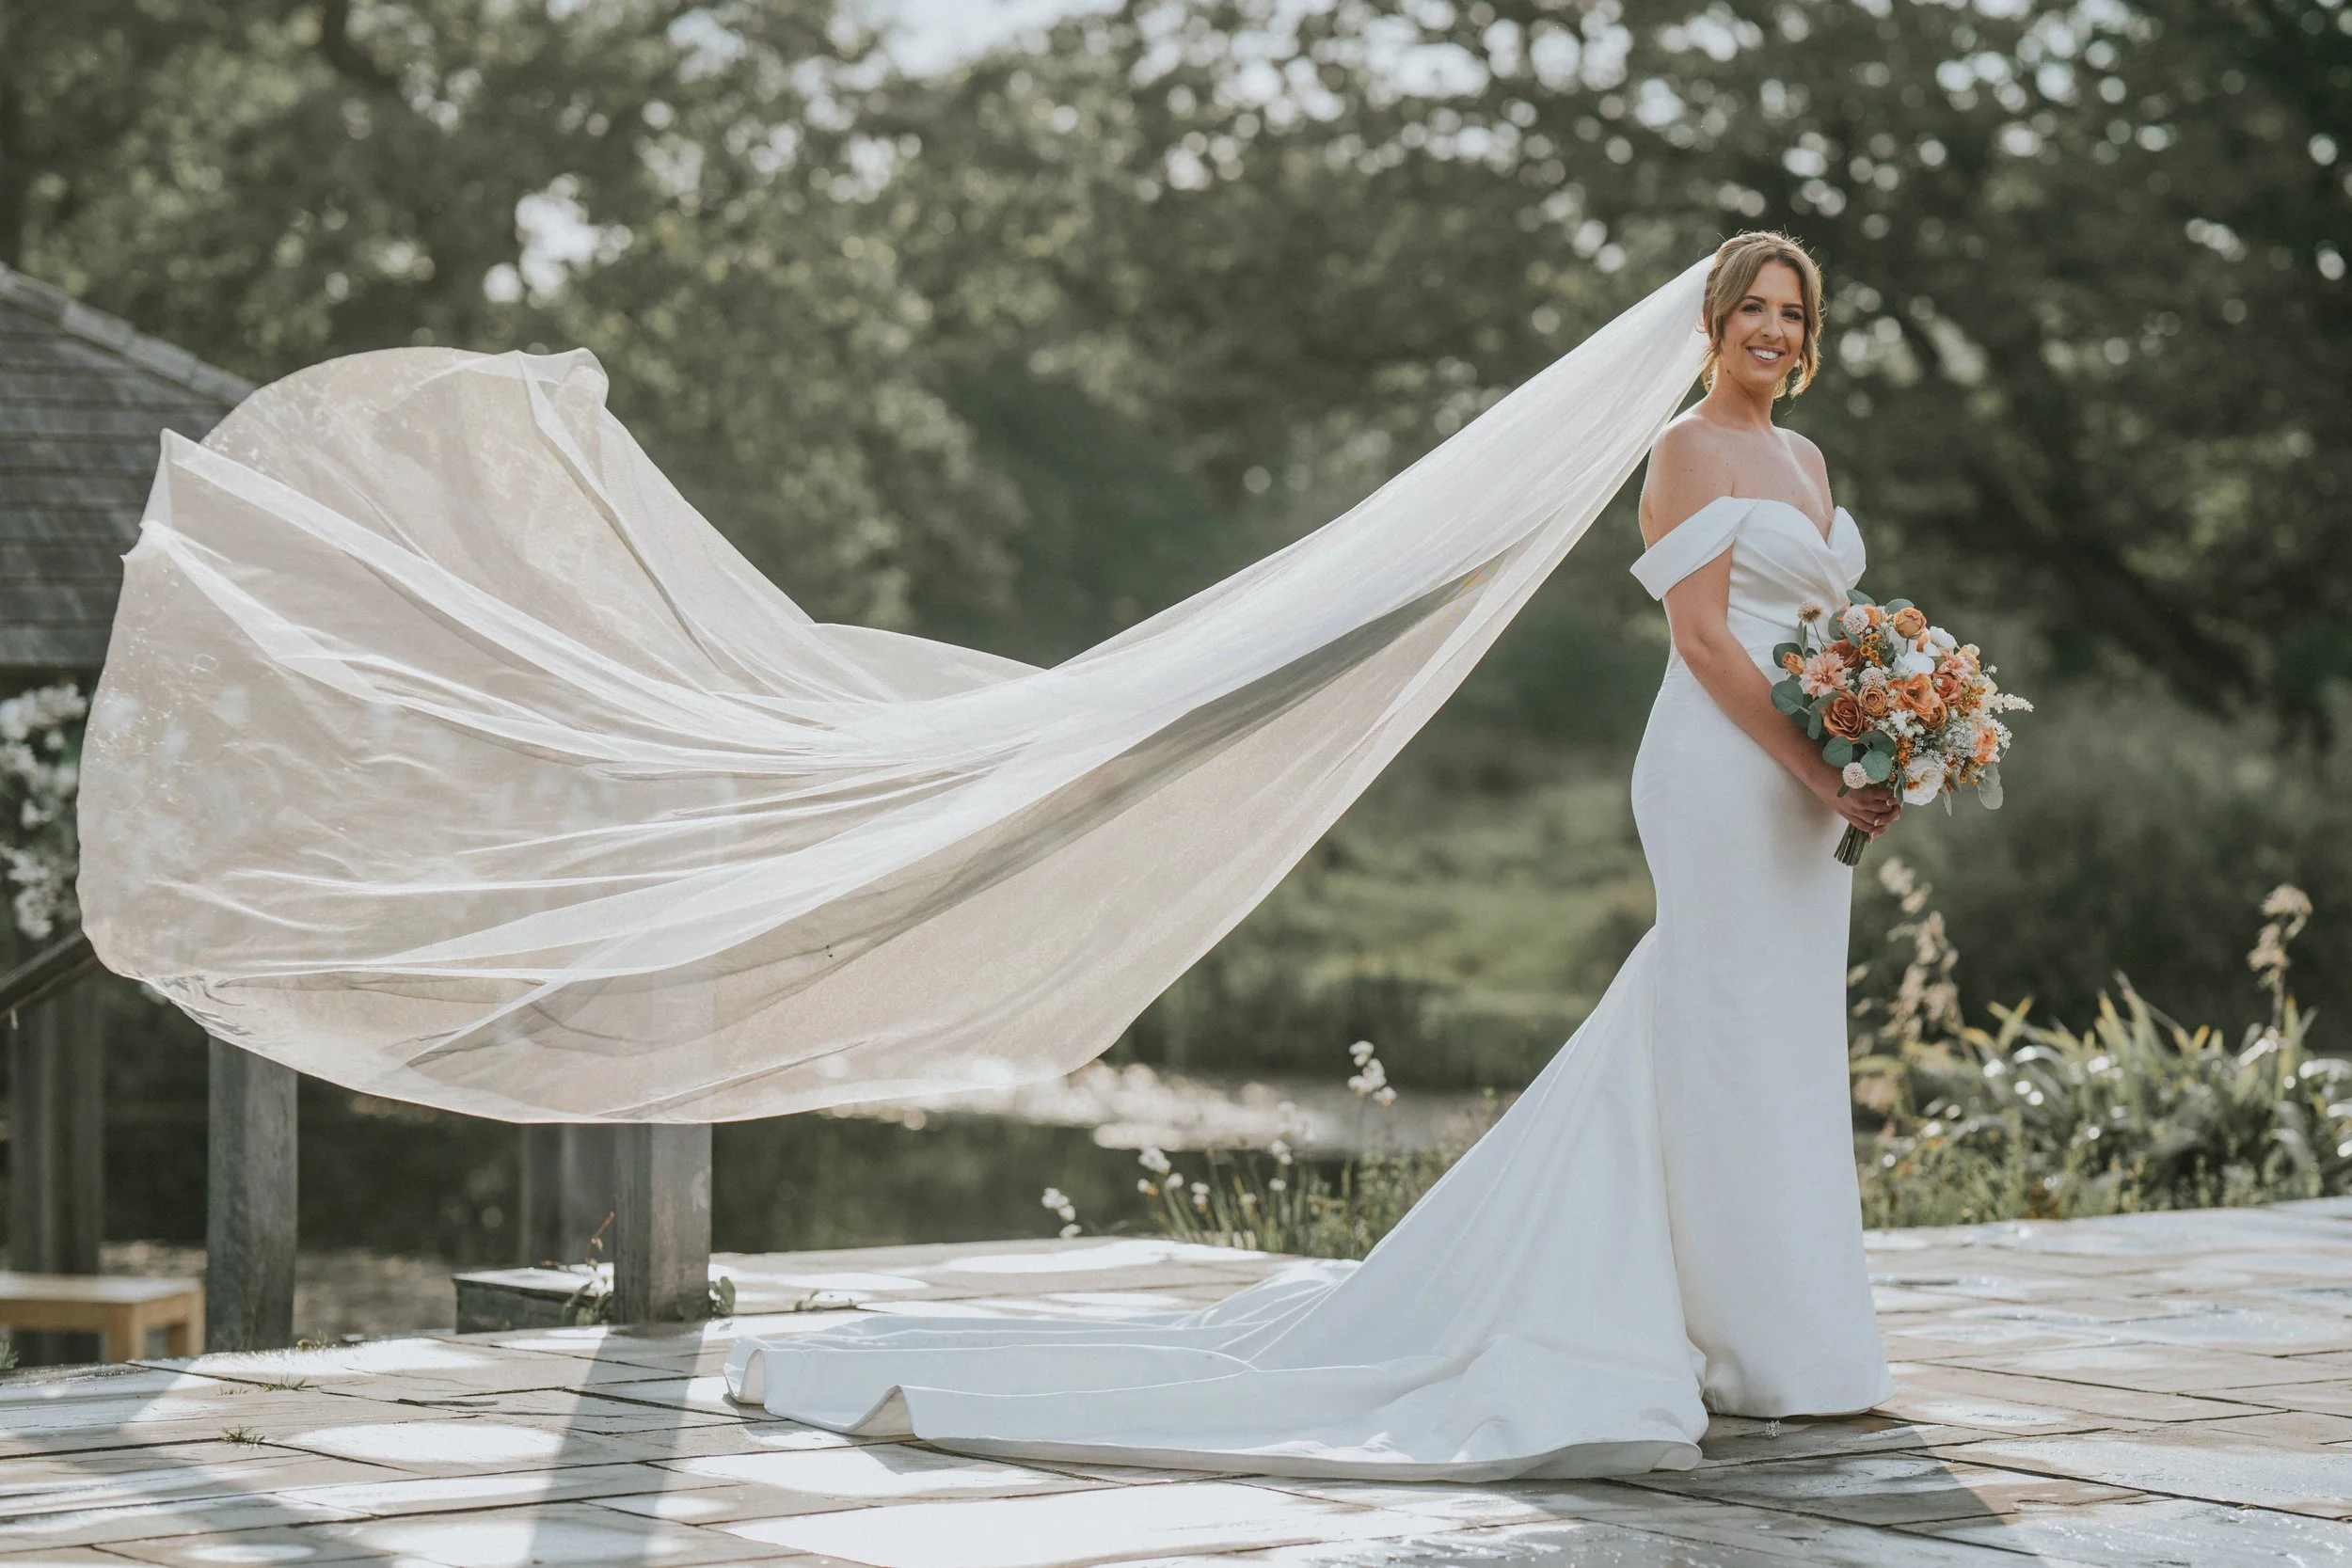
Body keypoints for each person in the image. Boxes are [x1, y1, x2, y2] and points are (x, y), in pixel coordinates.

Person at [720, 231, 1898, 1480]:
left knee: (1775, 1030)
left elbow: (1820, 632)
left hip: (1803, 789)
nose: (1772, 327)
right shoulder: (1683, 449)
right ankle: (1727, 1332)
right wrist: (1817, 761)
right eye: (1752, 307)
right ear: (1711, 323)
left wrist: (1879, 732)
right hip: (1723, 770)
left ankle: (1789, 1332)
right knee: (1715, 1013)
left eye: (1791, 310)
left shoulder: (1806, 457)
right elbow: (1710, 644)